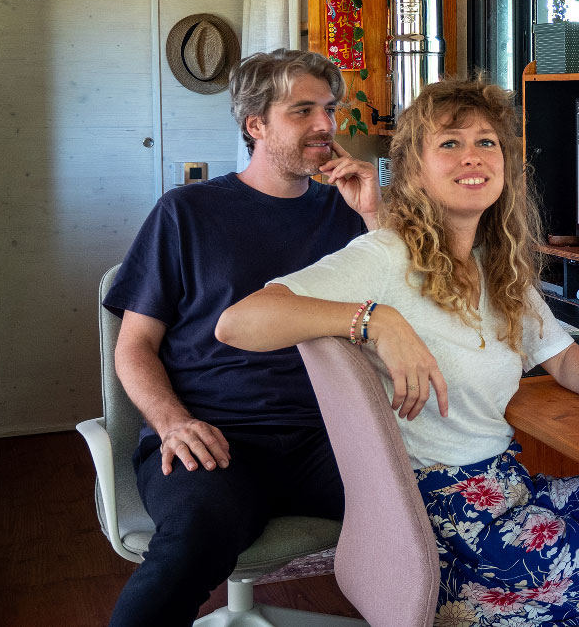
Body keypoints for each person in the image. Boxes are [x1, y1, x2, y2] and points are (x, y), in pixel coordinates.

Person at [217, 78, 579, 627]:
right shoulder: (384, 254)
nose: (472, 157)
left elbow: (560, 355)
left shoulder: (494, 264)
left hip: (505, 492)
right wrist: (375, 320)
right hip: (453, 532)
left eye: (487, 142)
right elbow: (239, 323)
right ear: (413, 170)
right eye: (449, 143)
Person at [103, 49, 381, 627]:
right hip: (215, 437)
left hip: (328, 435)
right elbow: (133, 347)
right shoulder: (186, 213)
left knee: (436, 513)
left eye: (329, 109)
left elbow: (415, 307)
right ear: (255, 124)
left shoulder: (349, 212)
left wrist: (376, 218)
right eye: (302, 110)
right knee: (190, 546)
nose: (326, 126)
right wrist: (172, 422)